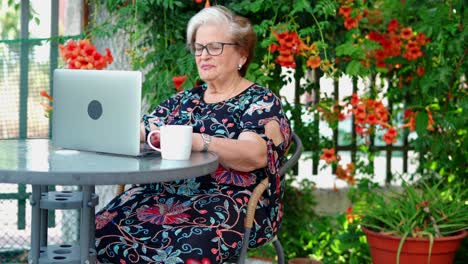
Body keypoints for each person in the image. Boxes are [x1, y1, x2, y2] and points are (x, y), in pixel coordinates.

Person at [95, 5, 291, 263]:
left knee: (182, 252)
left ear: (242, 54)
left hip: (229, 201)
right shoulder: (184, 100)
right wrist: (112, 127)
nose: (203, 56)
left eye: (214, 47)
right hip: (162, 195)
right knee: (97, 232)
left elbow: (254, 155)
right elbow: (145, 129)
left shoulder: (259, 102)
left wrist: (200, 141)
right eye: (198, 48)